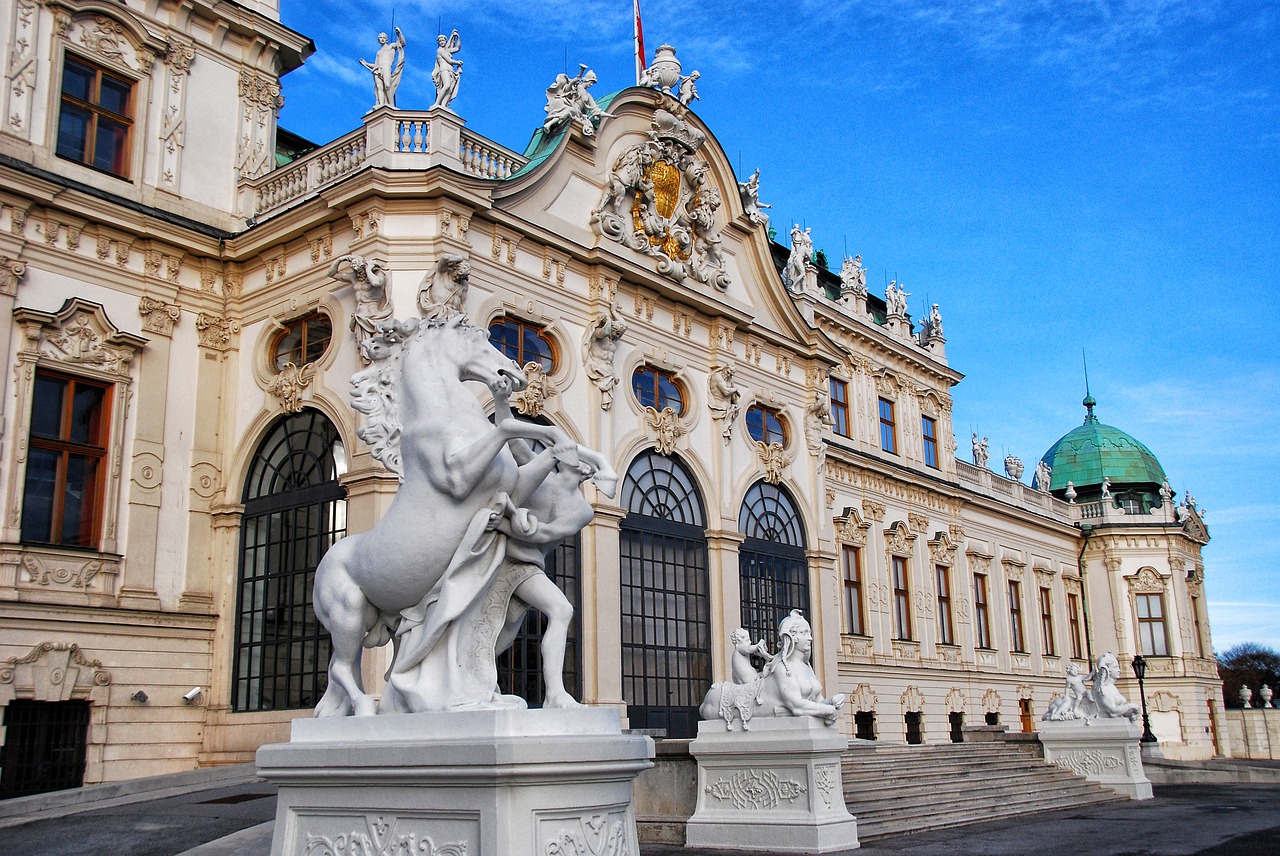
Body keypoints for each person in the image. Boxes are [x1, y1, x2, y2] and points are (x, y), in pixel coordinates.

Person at [360, 28, 406, 109]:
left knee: (387, 85)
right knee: (379, 87)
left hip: (386, 67)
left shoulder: (391, 46)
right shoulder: (379, 52)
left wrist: (399, 33)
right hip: (378, 68)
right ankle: (381, 104)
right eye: (380, 38)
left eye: (383, 38)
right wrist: (365, 63)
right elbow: (376, 64)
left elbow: (402, 43)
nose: (382, 39)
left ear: (386, 39)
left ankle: (390, 105)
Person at [432, 30, 462, 109]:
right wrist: (458, 62)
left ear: (446, 41)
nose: (442, 42)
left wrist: (457, 37)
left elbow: (457, 48)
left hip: (451, 70)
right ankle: (437, 103)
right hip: (444, 69)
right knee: (446, 85)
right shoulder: (440, 50)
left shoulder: (447, 50)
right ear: (438, 42)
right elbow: (449, 60)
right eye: (440, 41)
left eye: (443, 40)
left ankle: (444, 105)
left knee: (450, 89)